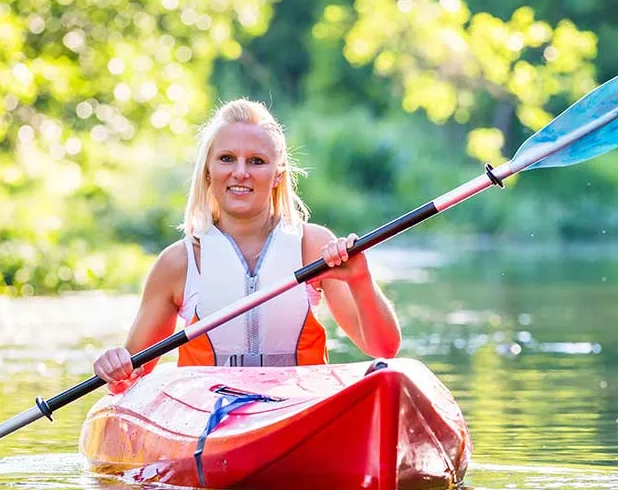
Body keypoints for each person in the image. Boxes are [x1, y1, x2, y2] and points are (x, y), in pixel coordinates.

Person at [92, 99, 401, 393]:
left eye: (256, 161)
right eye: (227, 159)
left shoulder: (313, 245)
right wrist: (115, 367)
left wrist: (361, 279)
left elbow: (383, 349)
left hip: (296, 404)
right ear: (208, 170)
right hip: (209, 414)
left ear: (278, 174)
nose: (241, 172)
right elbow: (130, 380)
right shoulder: (178, 263)